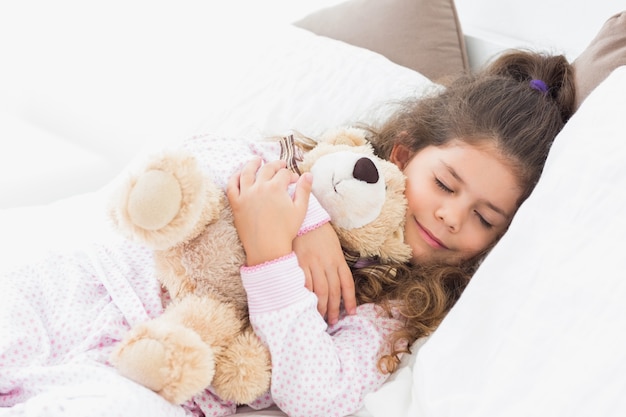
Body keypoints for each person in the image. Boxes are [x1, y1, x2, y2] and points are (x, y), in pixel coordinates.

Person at [226, 49, 576, 417]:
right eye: (443, 184)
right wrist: (308, 220)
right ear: (403, 155)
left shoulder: (404, 309)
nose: (452, 217)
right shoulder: (330, 169)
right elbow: (207, 160)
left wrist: (272, 260)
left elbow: (320, 395)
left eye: (485, 219)